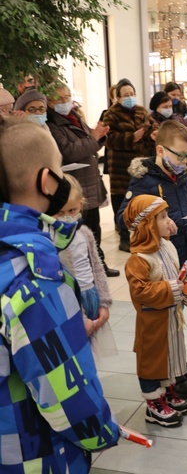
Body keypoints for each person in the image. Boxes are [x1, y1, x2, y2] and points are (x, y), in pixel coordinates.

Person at [0, 118, 119, 473]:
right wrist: (103, 430)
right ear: (47, 180)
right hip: (32, 456)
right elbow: (67, 396)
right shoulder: (35, 275)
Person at [117, 120, 187, 398]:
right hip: (157, 258)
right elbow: (125, 219)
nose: (184, 161)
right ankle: (171, 375)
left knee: (177, 313)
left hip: (180, 250)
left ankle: (178, 362)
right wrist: (174, 221)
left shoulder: (179, 175)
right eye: (179, 155)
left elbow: (183, 208)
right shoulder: (144, 179)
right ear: (160, 149)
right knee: (163, 315)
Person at [123, 194, 187, 427]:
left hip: (171, 317)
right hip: (153, 322)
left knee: (169, 358)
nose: (169, 221)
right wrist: (175, 288)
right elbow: (140, 291)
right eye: (162, 217)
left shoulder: (166, 246)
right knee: (152, 362)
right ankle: (153, 403)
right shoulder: (139, 259)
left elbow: (176, 275)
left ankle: (167, 392)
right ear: (147, 224)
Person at [46, 81, 120, 277]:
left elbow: (89, 142)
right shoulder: (52, 124)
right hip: (75, 183)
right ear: (50, 102)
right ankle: (86, 268)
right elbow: (70, 151)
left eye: (67, 97)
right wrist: (94, 138)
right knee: (80, 228)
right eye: (59, 98)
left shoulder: (74, 117)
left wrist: (99, 135)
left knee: (94, 227)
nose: (64, 101)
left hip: (90, 179)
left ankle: (99, 265)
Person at [55, 173, 113, 338]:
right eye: (60, 212)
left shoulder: (85, 233)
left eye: (72, 210)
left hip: (91, 296)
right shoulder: (50, 239)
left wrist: (103, 302)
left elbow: (97, 267)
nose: (67, 217)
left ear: (81, 204)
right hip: (70, 302)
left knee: (92, 349)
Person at [103, 79, 154, 253]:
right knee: (122, 201)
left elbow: (151, 128)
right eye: (126, 95)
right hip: (121, 166)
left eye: (132, 94)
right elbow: (108, 138)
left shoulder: (142, 111)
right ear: (117, 98)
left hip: (141, 164)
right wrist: (131, 137)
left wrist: (152, 135)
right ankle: (124, 237)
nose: (130, 97)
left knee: (142, 200)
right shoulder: (111, 114)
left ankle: (143, 234)